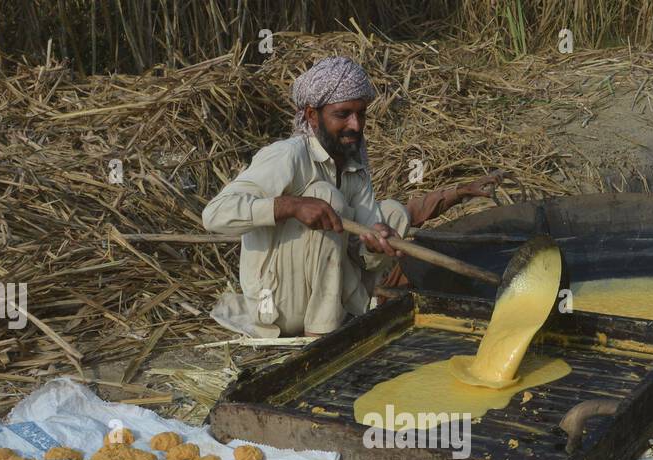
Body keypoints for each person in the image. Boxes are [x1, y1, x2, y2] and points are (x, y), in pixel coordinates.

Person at [202, 55, 498, 339]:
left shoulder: (355, 163)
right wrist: (290, 206)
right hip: (278, 307)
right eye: (342, 114)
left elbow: (365, 258)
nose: (355, 125)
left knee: (392, 213)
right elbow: (214, 215)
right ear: (312, 116)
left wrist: (376, 242)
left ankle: (349, 314)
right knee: (324, 197)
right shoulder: (287, 156)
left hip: (333, 295)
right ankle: (321, 335)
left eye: (360, 114)